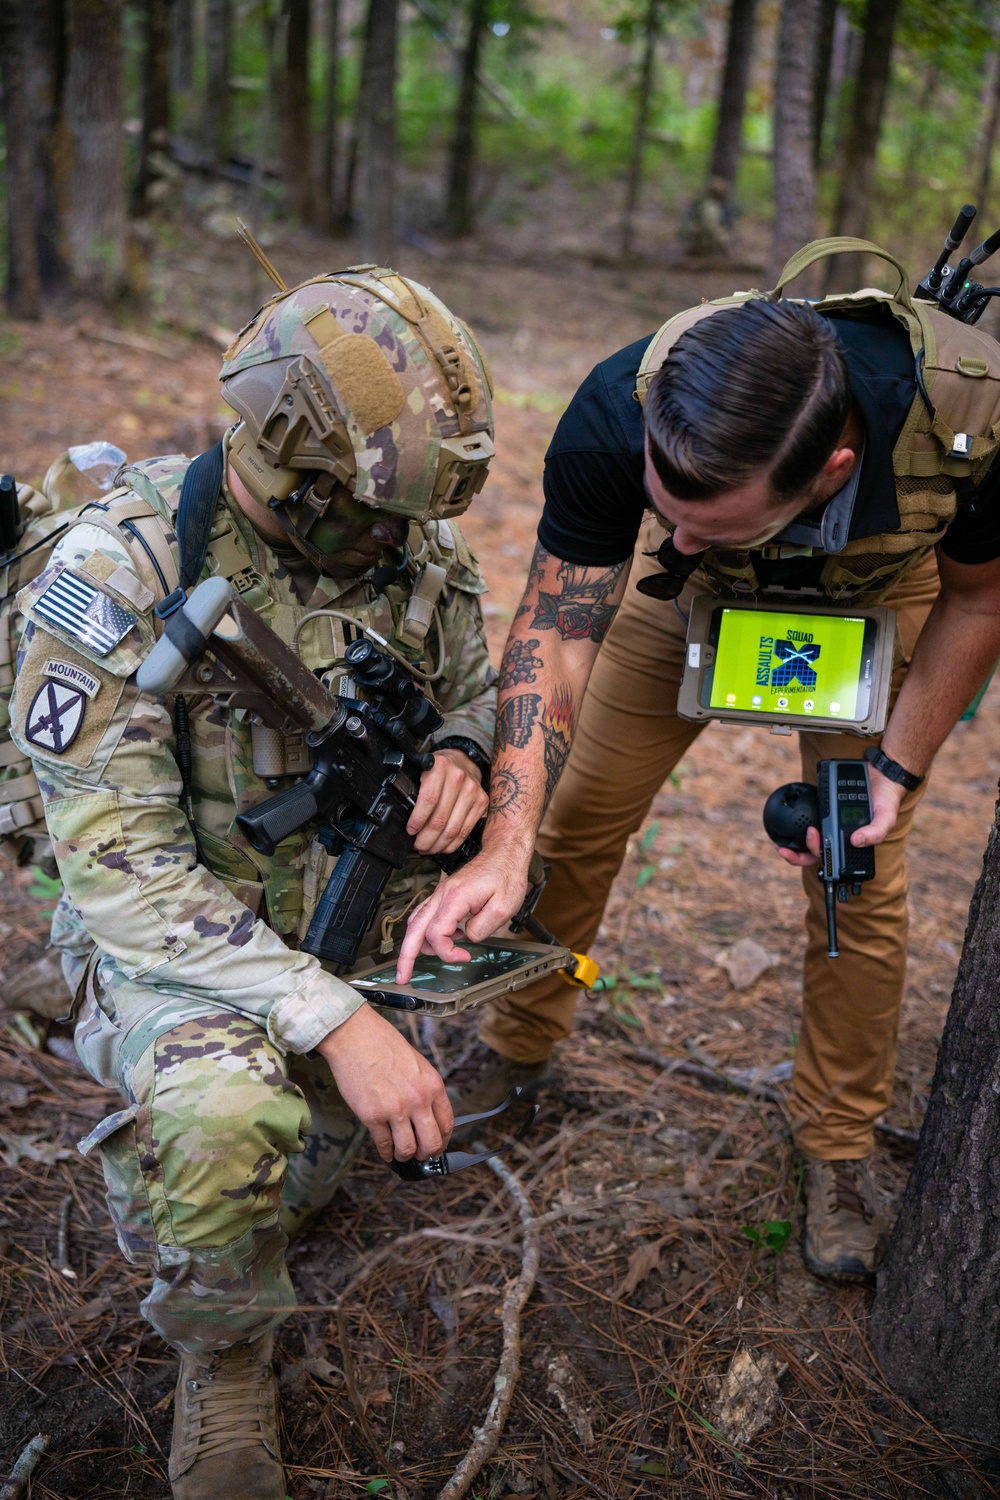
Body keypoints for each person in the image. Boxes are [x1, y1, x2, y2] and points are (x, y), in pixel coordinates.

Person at [398, 241, 1000, 1288]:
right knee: (569, 815)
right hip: (688, 597)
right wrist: (506, 833)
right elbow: (557, 626)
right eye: (660, 502)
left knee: (853, 863)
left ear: (827, 476)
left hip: (876, 591)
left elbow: (980, 597)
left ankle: (837, 1144)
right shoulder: (618, 411)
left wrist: (895, 774)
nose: (664, 524)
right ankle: (519, 1043)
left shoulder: (966, 421)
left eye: (696, 512)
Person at [9, 267, 496, 1500]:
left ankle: (259, 1185)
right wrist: (338, 1022)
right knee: (229, 1124)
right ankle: (223, 1364)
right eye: (371, 516)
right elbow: (127, 886)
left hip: (340, 919)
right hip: (172, 939)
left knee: (308, 1167)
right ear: (286, 472)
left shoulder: (412, 553)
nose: (403, 545)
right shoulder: (113, 578)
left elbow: (476, 683)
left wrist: (462, 750)